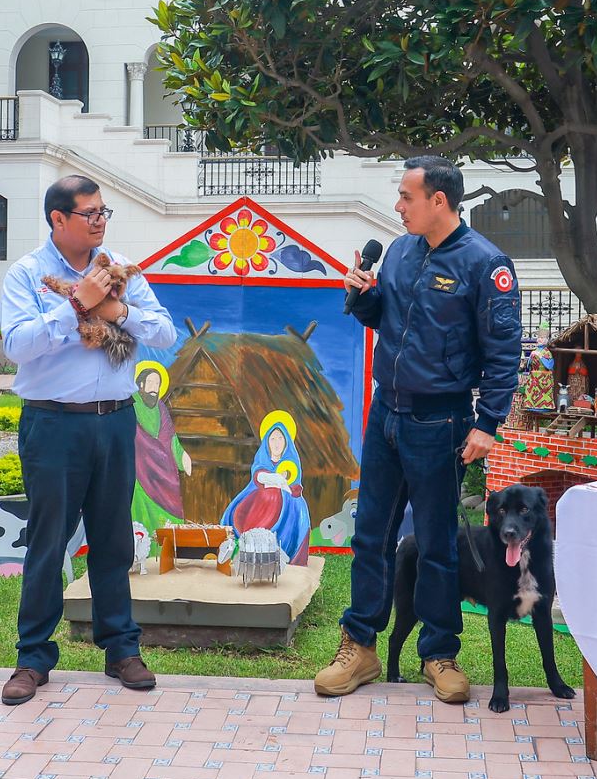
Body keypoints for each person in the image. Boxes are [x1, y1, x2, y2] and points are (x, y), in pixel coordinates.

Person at [315, 155, 522, 704]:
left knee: (435, 544)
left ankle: (439, 654)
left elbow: (504, 355)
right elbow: (385, 316)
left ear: (439, 201)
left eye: (408, 197)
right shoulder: (402, 252)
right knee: (370, 536)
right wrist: (362, 296)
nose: (399, 206)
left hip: (442, 419)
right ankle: (358, 647)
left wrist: (488, 424)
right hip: (387, 413)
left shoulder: (486, 264)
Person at [0, 175, 176, 703]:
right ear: (58, 219)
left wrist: (116, 310)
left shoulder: (120, 270)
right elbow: (17, 346)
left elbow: (165, 333)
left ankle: (122, 649)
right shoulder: (28, 275)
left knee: (114, 538)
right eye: (89, 214)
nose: (99, 222)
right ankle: (32, 658)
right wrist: (77, 304)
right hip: (54, 423)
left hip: (116, 421)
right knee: (49, 540)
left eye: (104, 212)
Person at [223, 410, 309, 564]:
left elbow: (295, 483)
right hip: (260, 500)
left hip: (287, 502)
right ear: (267, 442)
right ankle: (249, 540)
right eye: (273, 439)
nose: (276, 443)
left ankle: (285, 548)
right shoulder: (263, 458)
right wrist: (269, 478)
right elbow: (258, 474)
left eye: (280, 438)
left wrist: (288, 486)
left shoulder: (291, 459)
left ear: (286, 441)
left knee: (297, 505)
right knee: (268, 495)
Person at [131, 360, 191, 535]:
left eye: (156, 383)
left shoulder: (161, 408)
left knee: (166, 518)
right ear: (140, 383)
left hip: (162, 470)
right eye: (150, 382)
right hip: (139, 471)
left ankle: (164, 550)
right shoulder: (131, 405)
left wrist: (182, 456)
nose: (153, 387)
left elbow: (170, 438)